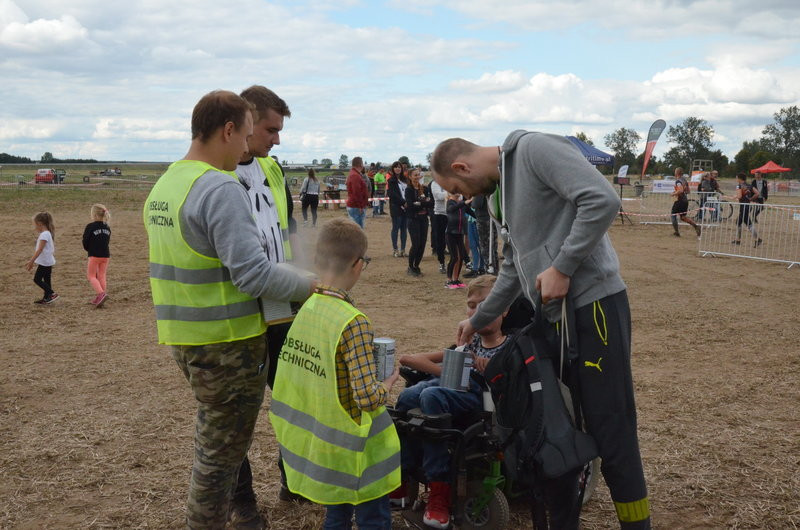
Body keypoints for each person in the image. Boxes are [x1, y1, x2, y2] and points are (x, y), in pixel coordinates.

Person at [432, 132, 651, 529]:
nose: (461, 197)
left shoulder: (533, 150)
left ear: (462, 167)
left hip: (594, 309)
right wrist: (478, 319)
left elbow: (602, 201)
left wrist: (563, 266)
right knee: (557, 431)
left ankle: (637, 524)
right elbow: (515, 266)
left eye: (457, 188)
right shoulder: (498, 196)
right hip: (553, 322)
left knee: (611, 427)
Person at [143, 90, 314, 530]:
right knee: (220, 460)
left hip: (186, 338)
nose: (247, 149)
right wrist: (313, 284)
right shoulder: (220, 187)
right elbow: (253, 275)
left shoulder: (167, 185)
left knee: (214, 447)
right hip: (228, 343)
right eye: (247, 136)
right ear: (228, 130)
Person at [269, 218, 401, 530]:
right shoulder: (352, 321)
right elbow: (367, 397)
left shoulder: (306, 308)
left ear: (316, 259)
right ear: (358, 264)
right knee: (373, 517)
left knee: (337, 516)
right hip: (357, 450)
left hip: (325, 446)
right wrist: (388, 382)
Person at [394, 275, 507, 529]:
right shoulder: (470, 341)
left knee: (429, 396)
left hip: (481, 398)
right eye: (471, 304)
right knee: (407, 397)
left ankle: (439, 492)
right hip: (451, 386)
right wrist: (455, 359)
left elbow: (509, 384)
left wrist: (488, 369)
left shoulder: (508, 347)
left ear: (505, 307)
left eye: (485, 304)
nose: (476, 310)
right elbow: (411, 359)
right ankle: (404, 474)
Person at [405, 167, 433, 276]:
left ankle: (417, 266)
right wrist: (422, 203)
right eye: (415, 175)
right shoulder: (409, 190)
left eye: (418, 174)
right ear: (410, 176)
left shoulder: (424, 189)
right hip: (413, 220)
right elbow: (410, 206)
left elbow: (431, 204)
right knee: (415, 244)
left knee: (422, 244)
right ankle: (410, 266)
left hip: (424, 220)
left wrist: (419, 203)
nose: (417, 177)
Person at [82, 203, 111, 307]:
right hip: (106, 255)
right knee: (102, 275)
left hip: (94, 255)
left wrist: (88, 249)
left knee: (91, 276)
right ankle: (101, 296)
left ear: (94, 215)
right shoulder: (107, 227)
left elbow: (85, 241)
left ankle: (101, 294)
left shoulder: (90, 226)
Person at [26, 212, 58, 304]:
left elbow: (40, 250)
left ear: (40, 224)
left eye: (35, 225)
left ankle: (52, 294)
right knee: (47, 280)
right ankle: (47, 297)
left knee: (37, 279)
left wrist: (31, 261)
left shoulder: (44, 234)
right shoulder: (48, 233)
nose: (34, 227)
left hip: (45, 262)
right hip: (48, 261)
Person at [445, 192, 471, 289]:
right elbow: (450, 209)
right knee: (454, 257)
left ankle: (456, 279)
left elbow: (471, 212)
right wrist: (464, 203)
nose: (458, 193)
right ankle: (448, 280)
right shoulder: (450, 202)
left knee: (461, 257)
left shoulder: (462, 204)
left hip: (459, 234)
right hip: (450, 233)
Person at [732, 172, 761, 247]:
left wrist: (736, 197)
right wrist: (750, 199)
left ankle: (757, 239)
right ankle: (738, 240)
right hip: (748, 205)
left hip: (743, 206)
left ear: (739, 178)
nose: (736, 179)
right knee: (738, 222)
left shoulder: (739, 186)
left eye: (736, 178)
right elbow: (757, 193)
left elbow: (740, 196)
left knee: (749, 224)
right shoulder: (749, 185)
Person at [670, 167, 701, 237]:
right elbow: (688, 191)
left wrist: (674, 194)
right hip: (685, 201)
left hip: (679, 201)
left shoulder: (678, 181)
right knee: (683, 217)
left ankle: (676, 232)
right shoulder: (684, 180)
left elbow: (680, 191)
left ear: (677, 173)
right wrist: (677, 191)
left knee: (673, 215)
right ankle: (696, 226)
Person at [387, 161, 408, 257]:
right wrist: (403, 202)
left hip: (406, 208)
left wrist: (408, 202)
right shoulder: (391, 180)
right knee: (395, 228)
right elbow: (392, 195)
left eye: (399, 167)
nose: (397, 168)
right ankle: (395, 249)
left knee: (404, 229)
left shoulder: (405, 180)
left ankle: (403, 250)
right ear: (393, 169)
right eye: (395, 167)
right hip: (396, 208)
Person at [430, 178, 448, 274]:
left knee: (454, 239)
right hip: (439, 214)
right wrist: (452, 194)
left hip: (452, 213)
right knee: (440, 240)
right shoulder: (435, 183)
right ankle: (442, 262)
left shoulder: (451, 181)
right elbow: (438, 196)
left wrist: (449, 196)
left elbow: (460, 196)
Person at [346, 156, 368, 228]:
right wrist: (360, 206)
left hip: (355, 206)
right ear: (360, 164)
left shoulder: (354, 174)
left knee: (356, 230)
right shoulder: (355, 175)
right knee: (357, 232)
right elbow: (356, 192)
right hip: (356, 207)